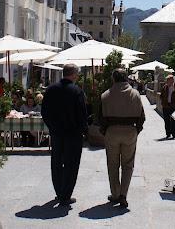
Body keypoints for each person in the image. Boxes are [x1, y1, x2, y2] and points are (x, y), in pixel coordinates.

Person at [98, 69, 145, 208]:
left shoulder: (105, 95)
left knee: (112, 164)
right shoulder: (135, 94)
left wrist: (105, 131)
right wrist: (137, 130)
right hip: (130, 131)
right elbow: (142, 117)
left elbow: (100, 117)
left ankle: (115, 193)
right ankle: (124, 194)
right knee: (128, 164)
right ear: (126, 78)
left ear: (113, 79)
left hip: (112, 131)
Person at [41, 64, 87, 206]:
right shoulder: (77, 91)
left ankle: (59, 191)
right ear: (73, 74)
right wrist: (83, 130)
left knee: (56, 162)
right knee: (71, 164)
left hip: (56, 134)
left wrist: (52, 127)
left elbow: (45, 112)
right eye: (77, 74)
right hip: (73, 135)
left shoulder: (51, 90)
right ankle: (65, 194)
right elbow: (82, 114)